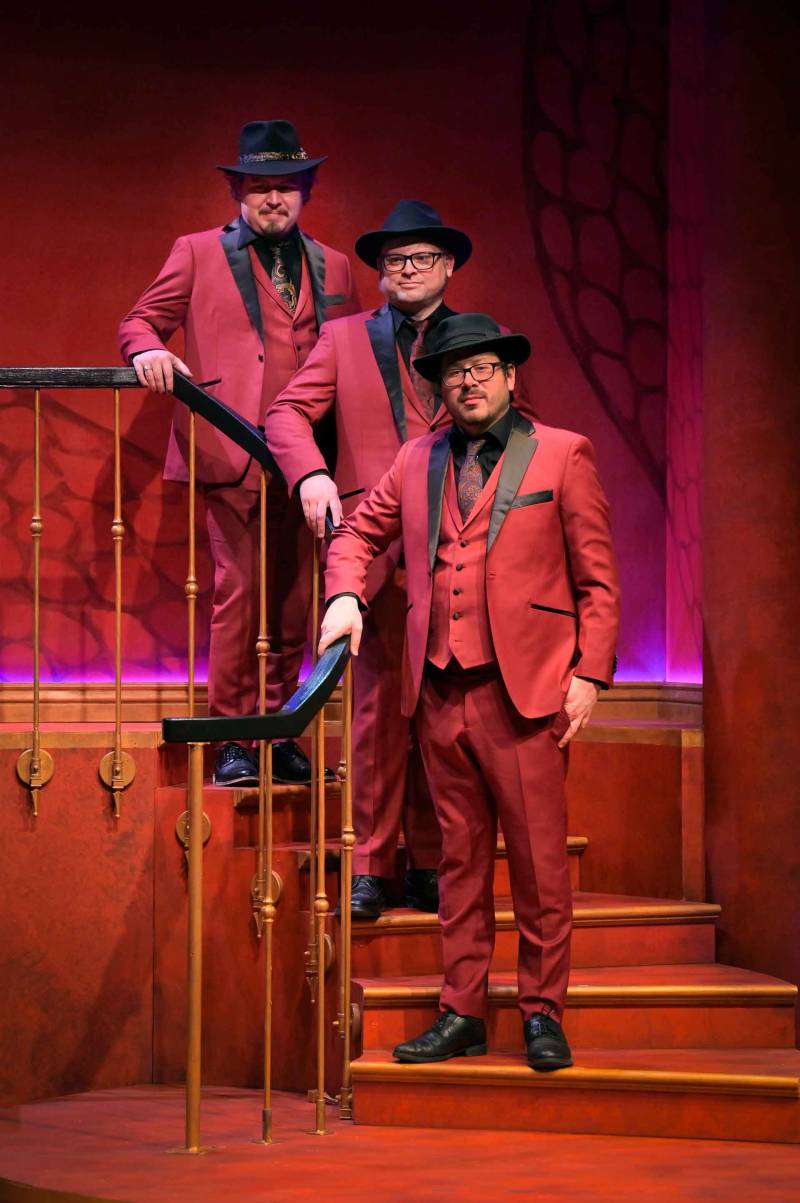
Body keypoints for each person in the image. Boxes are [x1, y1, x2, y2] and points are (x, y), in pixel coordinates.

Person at [319, 313, 620, 1071]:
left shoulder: (562, 452)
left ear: (511, 377)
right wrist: (346, 594)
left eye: (483, 367)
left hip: (526, 693)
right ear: (439, 388)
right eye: (455, 371)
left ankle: (542, 1011)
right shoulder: (416, 459)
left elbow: (598, 578)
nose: (469, 380)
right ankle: (461, 1010)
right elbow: (357, 533)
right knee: (457, 864)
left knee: (539, 864)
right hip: (439, 689)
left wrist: (589, 673)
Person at [119, 120, 359, 786]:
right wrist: (146, 349)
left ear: (305, 191)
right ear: (238, 192)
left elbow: (355, 358)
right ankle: (233, 735)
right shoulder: (196, 252)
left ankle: (279, 731)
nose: (272, 200)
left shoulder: (334, 264)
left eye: (284, 186)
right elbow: (140, 320)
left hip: (308, 459)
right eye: (259, 187)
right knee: (241, 593)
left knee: (292, 604)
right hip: (230, 452)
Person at [265, 199, 475, 918]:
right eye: (393, 262)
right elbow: (286, 412)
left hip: (460, 551)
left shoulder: (482, 343)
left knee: (444, 712)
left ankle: (429, 861)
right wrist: (312, 473)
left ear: (447, 266)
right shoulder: (345, 337)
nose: (405, 270)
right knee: (376, 714)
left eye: (419, 259)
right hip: (374, 549)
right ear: (380, 275)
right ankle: (371, 864)